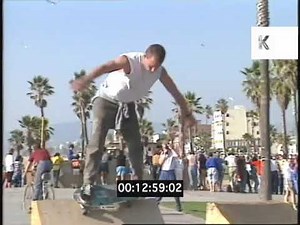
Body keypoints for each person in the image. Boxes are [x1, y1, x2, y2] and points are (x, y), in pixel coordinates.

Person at [71, 44, 196, 201]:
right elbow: (105, 67)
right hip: (105, 101)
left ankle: (137, 184)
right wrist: (86, 79)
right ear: (145, 57)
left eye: (156, 67)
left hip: (127, 105)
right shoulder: (128, 61)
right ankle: (88, 184)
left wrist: (188, 114)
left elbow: (175, 93)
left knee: (135, 144)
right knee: (97, 141)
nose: (152, 71)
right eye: (151, 66)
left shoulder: (160, 72)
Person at [156, 143, 182, 212]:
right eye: (164, 147)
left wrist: (171, 148)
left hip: (170, 171)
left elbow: (177, 155)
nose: (165, 148)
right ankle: (156, 203)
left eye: (166, 147)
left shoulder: (172, 153)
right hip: (164, 172)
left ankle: (178, 206)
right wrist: (164, 156)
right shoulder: (162, 153)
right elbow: (160, 163)